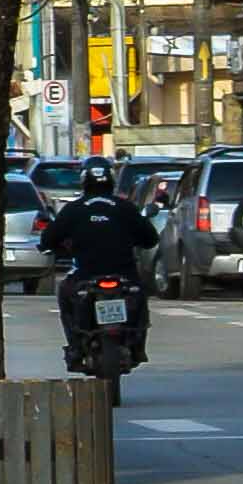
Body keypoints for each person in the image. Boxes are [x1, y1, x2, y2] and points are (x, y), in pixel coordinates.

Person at [48, 154, 153, 371]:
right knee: (140, 295)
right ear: (112, 180)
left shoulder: (74, 209)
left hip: (85, 274)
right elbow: (150, 238)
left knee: (65, 294)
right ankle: (138, 344)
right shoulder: (125, 208)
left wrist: (54, 247)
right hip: (124, 274)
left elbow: (48, 237)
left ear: (84, 180)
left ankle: (75, 345)